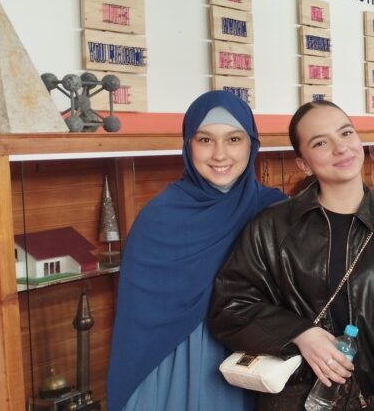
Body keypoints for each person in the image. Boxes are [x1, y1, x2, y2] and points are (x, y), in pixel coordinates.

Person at [207, 100, 374, 410]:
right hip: (294, 400)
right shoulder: (272, 227)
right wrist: (300, 333)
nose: (340, 148)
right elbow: (228, 309)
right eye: (320, 142)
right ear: (304, 163)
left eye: (346, 133)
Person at [107, 90, 287, 411]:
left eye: (234, 140)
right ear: (188, 144)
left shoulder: (273, 208)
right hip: (173, 367)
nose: (220, 154)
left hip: (254, 357)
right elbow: (137, 324)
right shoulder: (158, 217)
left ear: (252, 144)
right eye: (205, 140)